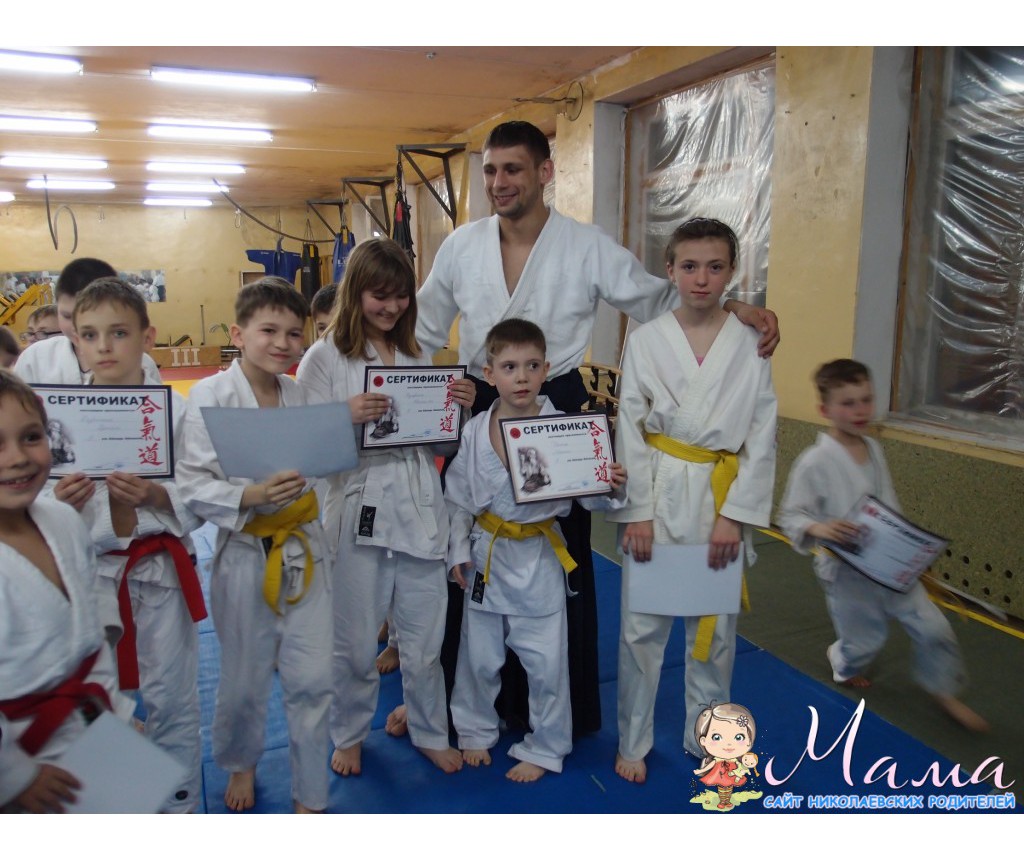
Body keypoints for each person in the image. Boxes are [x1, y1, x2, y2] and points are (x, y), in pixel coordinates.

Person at [414, 120, 780, 737]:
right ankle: (466, 706)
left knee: (560, 556)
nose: (500, 182)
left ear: (545, 172)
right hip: (482, 401)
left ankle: (554, 713)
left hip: (557, 407)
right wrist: (421, 405)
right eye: (491, 171)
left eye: (513, 169)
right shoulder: (461, 246)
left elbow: (660, 296)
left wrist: (734, 306)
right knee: (473, 543)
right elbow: (423, 329)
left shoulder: (585, 245)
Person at [610, 218, 777, 784]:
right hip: (657, 492)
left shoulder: (752, 343)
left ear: (732, 272)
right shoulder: (646, 339)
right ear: (670, 270)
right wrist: (636, 511)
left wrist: (735, 516)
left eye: (715, 267)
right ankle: (633, 739)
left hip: (717, 498)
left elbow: (762, 434)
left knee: (714, 634)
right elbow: (630, 427)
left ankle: (708, 737)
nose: (701, 279)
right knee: (642, 630)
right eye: (689, 266)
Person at [297, 239, 472, 778]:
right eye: (380, 295)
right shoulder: (324, 358)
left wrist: (455, 414)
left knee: (424, 640)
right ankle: (349, 733)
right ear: (355, 293)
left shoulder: (416, 351)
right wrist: (345, 416)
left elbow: (440, 446)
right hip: (357, 509)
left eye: (400, 296)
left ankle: (429, 730)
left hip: (419, 508)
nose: (392, 307)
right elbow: (308, 454)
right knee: (353, 643)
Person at [446, 319, 627, 782]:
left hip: (539, 561)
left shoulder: (566, 429)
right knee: (477, 656)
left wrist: (608, 483)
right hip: (487, 556)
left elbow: (590, 500)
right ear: (490, 375)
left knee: (547, 664)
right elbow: (458, 499)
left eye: (531, 366)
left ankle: (547, 746)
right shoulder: (475, 430)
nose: (521, 377)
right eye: (509, 367)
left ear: (546, 370)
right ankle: (475, 729)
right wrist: (457, 551)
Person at [177, 278, 333, 813]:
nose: (283, 343)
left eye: (294, 333)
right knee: (244, 679)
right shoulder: (209, 397)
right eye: (269, 330)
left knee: (313, 677)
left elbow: (322, 463)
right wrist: (251, 495)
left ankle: (311, 791)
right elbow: (192, 482)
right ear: (238, 334)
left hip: (305, 547)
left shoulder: (301, 395)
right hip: (244, 553)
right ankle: (241, 762)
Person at [52, 278, 205, 813]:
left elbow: (204, 491)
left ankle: (180, 808)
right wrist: (61, 506)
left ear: (147, 336)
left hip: (160, 573)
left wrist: (158, 494)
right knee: (94, 702)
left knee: (173, 697)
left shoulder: (176, 412)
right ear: (76, 341)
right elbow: (34, 502)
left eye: (118, 333)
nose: (104, 346)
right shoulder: (56, 416)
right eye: (90, 335)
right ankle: (116, 809)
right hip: (92, 577)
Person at [777, 359, 988, 731]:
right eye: (848, 403)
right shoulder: (814, 462)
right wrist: (822, 528)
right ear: (825, 410)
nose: (859, 410)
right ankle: (843, 660)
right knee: (864, 645)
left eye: (866, 400)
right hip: (848, 572)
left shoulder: (874, 448)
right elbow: (790, 515)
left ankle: (944, 691)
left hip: (892, 564)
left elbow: (888, 506)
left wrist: (911, 551)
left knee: (933, 627)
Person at [0, 369, 134, 812]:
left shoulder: (60, 519)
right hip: (24, 754)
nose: (17, 458)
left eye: (31, 437)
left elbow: (90, 635)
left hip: (91, 722)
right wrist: (15, 778)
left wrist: (113, 711)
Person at [15, 259, 161, 385]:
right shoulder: (33, 358)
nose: (76, 326)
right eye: (67, 316)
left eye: (119, 333)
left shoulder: (142, 362)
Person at [692, 702, 756, 810]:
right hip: (719, 774)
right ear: (703, 740)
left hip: (731, 773)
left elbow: (743, 765)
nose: (729, 744)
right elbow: (710, 765)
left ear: (749, 741)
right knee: (722, 788)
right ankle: (723, 801)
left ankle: (726, 801)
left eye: (739, 737)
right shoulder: (717, 760)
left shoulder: (735, 760)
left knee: (728, 788)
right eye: (716, 737)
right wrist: (701, 771)